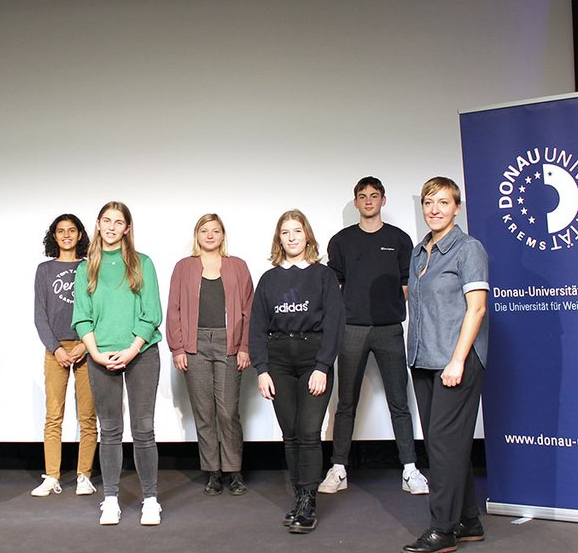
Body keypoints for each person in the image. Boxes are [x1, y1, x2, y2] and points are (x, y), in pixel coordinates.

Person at [321, 177, 429, 495]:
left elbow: (407, 284)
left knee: (400, 402)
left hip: (388, 329)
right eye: (362, 196)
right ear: (355, 202)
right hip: (351, 330)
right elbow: (335, 286)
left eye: (374, 196)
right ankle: (338, 468)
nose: (368, 200)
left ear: (383, 200)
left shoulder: (399, 239)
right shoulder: (341, 241)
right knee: (346, 403)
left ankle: (410, 469)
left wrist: (385, 309)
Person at [401, 177, 489, 553]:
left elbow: (478, 307)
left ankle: (442, 530)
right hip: (424, 359)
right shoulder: (420, 253)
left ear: (456, 208)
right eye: (428, 202)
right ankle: (468, 520)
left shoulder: (469, 249)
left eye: (442, 202)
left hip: (456, 362)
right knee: (448, 445)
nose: (434, 209)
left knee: (441, 446)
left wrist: (457, 359)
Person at [249, 209, 345, 534]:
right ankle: (299, 497)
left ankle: (309, 501)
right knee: (289, 434)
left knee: (308, 432)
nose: (292, 237)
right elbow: (257, 328)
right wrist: (261, 370)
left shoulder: (323, 276)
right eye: (285, 232)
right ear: (279, 238)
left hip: (312, 359)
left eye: (297, 231)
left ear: (307, 235)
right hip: (278, 361)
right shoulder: (269, 279)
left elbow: (334, 324)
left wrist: (323, 366)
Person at [72, 201, 163, 526]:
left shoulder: (142, 263)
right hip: (101, 355)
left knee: (143, 430)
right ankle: (110, 499)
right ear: (98, 224)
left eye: (118, 222)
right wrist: (95, 354)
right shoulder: (87, 268)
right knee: (109, 431)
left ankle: (150, 500)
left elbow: (152, 313)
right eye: (106, 221)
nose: (111, 227)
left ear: (127, 228)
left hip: (141, 354)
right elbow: (81, 316)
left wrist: (132, 349)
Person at [166, 213, 254, 496]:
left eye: (215, 230)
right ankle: (213, 472)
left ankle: (234, 471)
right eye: (204, 230)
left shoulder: (237, 266)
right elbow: (174, 309)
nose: (210, 235)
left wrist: (244, 347)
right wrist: (178, 348)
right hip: (195, 345)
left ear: (223, 235)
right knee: (204, 413)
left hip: (229, 345)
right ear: (197, 235)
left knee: (228, 412)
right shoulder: (184, 267)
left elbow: (249, 311)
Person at [31, 213, 98, 497]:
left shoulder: (90, 268)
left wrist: (86, 345)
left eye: (72, 230)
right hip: (55, 349)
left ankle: (84, 475)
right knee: (53, 415)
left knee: (88, 416)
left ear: (80, 235)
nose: (67, 235)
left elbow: (98, 310)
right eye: (61, 231)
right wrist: (56, 348)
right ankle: (52, 476)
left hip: (87, 348)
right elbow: (40, 316)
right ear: (54, 236)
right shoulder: (44, 270)